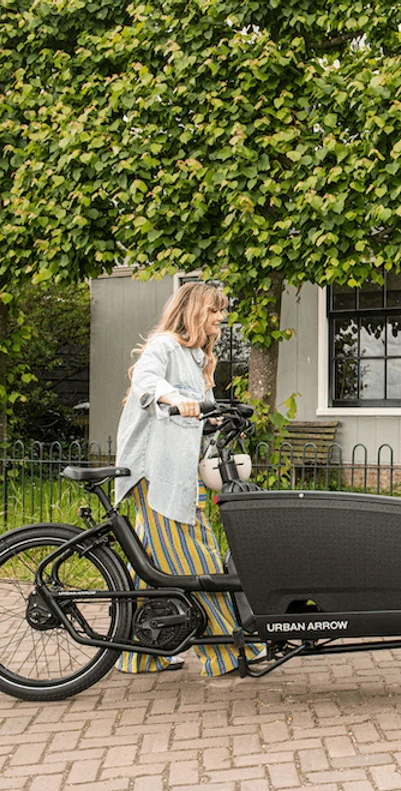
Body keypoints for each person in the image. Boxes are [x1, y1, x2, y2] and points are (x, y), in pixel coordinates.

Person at [113, 281, 262, 676]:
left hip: (180, 469)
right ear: (195, 310)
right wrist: (174, 398)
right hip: (156, 469)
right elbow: (146, 382)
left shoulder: (199, 359)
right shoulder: (164, 346)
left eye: (222, 312)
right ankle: (228, 652)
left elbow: (196, 420)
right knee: (194, 557)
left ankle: (139, 654)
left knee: (152, 563)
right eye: (214, 311)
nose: (221, 318)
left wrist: (216, 418)